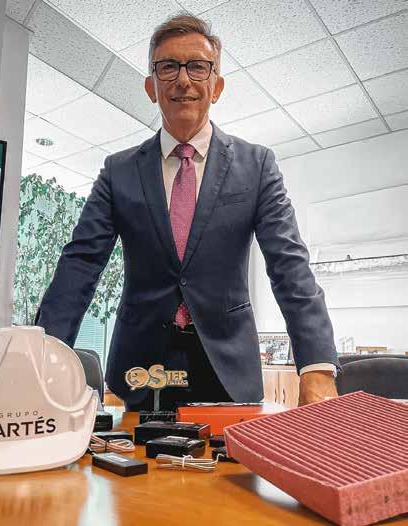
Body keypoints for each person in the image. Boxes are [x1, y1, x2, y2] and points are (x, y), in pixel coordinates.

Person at [35, 14, 340, 410]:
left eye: (198, 66)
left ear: (217, 86)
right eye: (168, 67)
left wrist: (316, 367)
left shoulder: (257, 166)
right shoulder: (118, 171)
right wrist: (41, 357)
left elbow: (289, 265)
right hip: (142, 370)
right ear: (151, 86)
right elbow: (80, 264)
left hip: (229, 369)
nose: (182, 79)